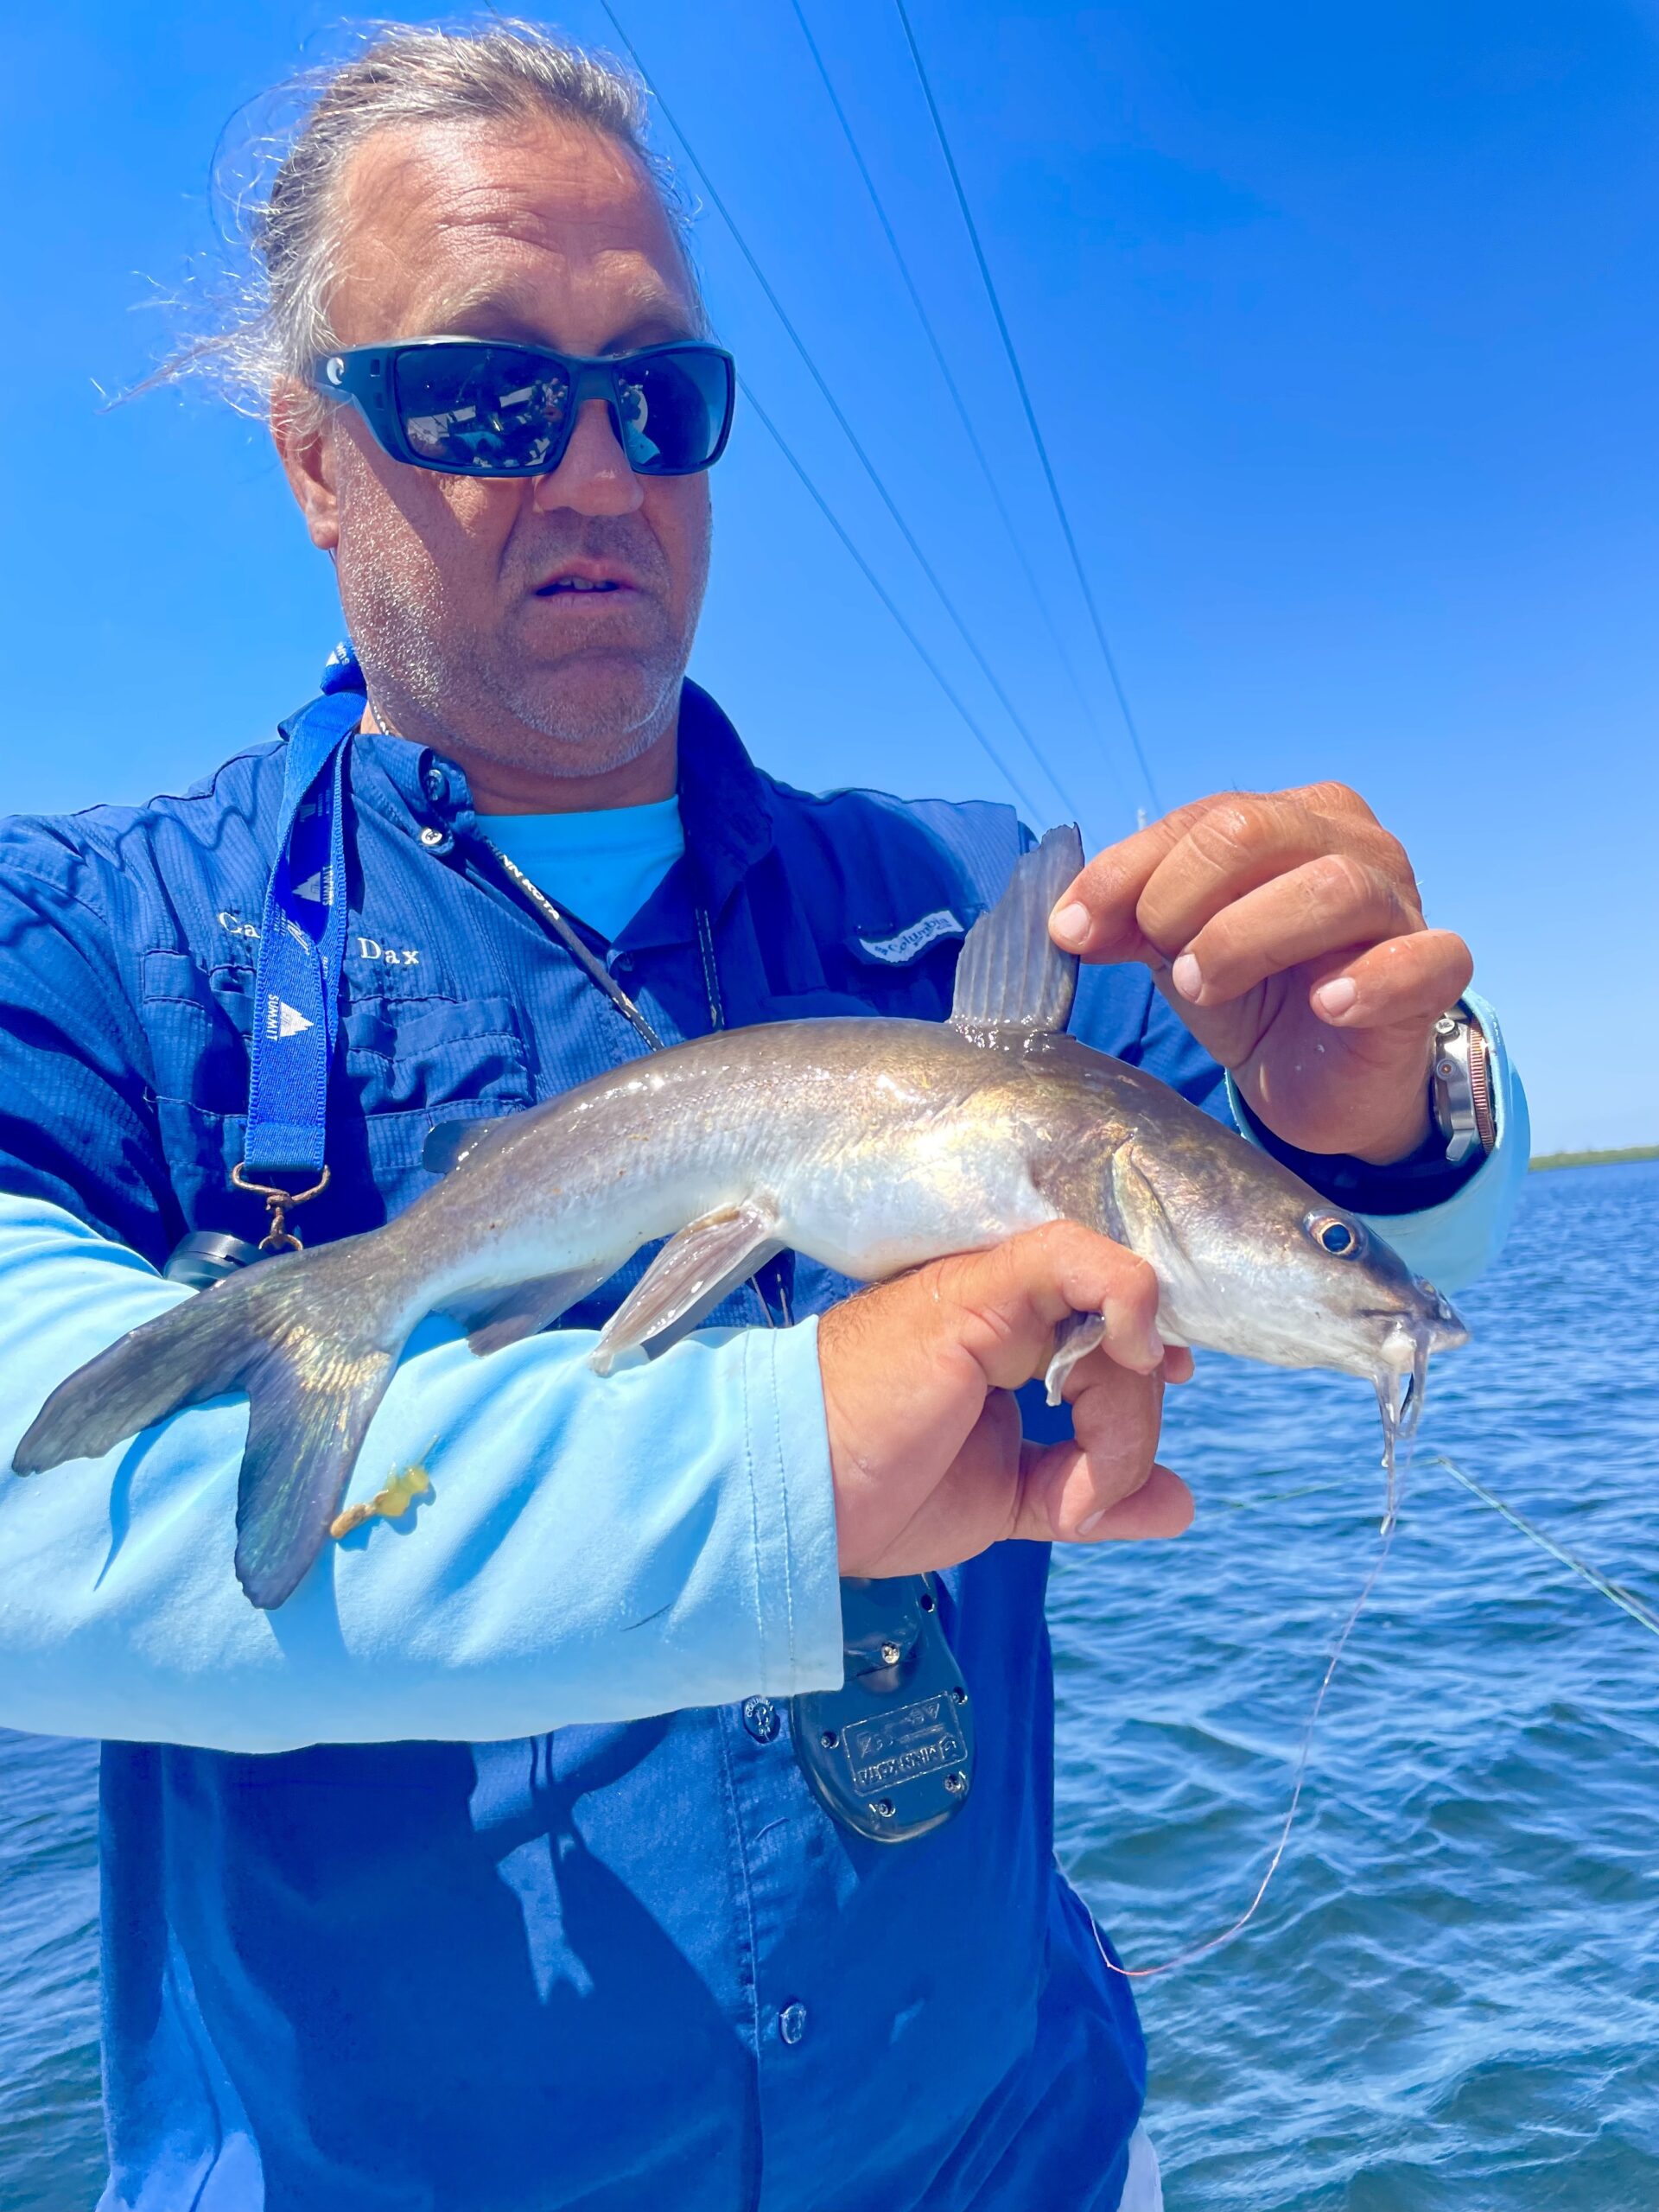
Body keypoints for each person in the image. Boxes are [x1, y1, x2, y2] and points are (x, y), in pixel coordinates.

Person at [0, 23, 1526, 2212]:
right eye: (483, 398)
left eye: (661, 396)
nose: (596, 471)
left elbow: (1368, 1222)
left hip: (1014, 2157)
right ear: (316, 457)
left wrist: (1405, 1111)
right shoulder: (97, 934)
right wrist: (779, 1458)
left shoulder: (977, 908)